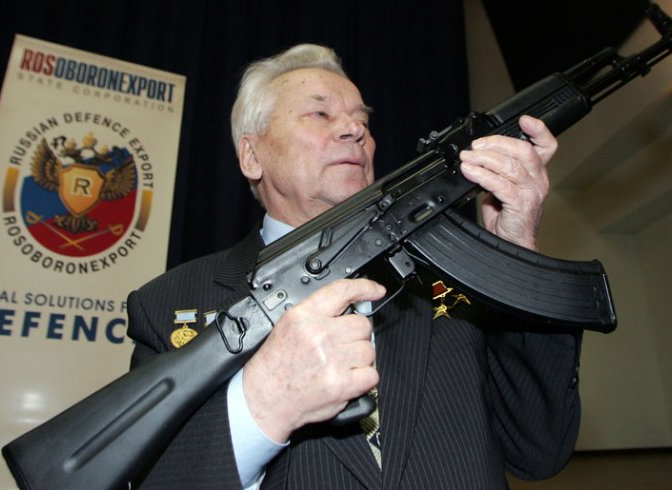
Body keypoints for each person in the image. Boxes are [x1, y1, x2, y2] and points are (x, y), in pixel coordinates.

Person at [126, 43, 581, 489]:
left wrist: (517, 254)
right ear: (252, 156)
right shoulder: (167, 305)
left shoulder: (452, 275)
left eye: (362, 120)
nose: (354, 130)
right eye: (320, 114)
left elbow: (538, 450)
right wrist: (261, 409)